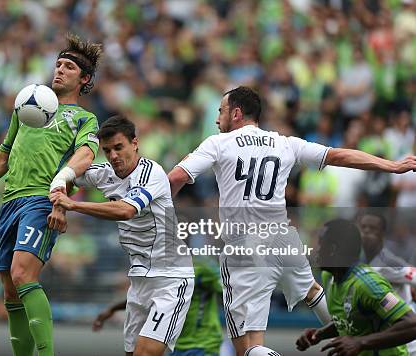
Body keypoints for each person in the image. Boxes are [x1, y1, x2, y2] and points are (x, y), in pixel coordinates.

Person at [167, 86, 416, 355]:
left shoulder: (218, 143)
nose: (217, 120)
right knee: (311, 290)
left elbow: (175, 178)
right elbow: (339, 155)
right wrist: (391, 165)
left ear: (236, 113)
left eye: (221, 112)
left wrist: (161, 221)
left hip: (244, 247)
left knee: (248, 349)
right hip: (283, 239)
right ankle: (354, 342)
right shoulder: (284, 142)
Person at [0, 33, 103, 356]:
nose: (59, 70)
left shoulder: (84, 119)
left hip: (42, 200)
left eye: (69, 67)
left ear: (84, 79)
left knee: (22, 273)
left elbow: (85, 156)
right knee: (10, 290)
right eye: (58, 64)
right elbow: (3, 157)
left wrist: (60, 188)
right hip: (10, 202)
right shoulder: (27, 108)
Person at [50, 115, 195, 356]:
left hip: (171, 278)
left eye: (119, 147)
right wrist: (58, 206)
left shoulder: (152, 174)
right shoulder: (104, 174)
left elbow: (126, 211)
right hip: (139, 280)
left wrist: (73, 206)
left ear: (134, 143)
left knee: (144, 354)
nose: (114, 156)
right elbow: (65, 176)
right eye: (107, 150)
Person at [296, 219, 416, 355]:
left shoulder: (368, 285)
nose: (315, 249)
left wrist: (360, 342)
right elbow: (352, 321)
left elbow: (412, 324)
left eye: (320, 244)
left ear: (332, 249)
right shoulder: (329, 277)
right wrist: (320, 334)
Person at [93, 257, 225, 356]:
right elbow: (145, 297)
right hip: (175, 344)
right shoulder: (164, 267)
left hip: (203, 342)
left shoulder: (203, 268)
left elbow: (229, 292)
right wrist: (112, 309)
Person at [357, 211, 416, 355]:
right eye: (363, 227)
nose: (366, 232)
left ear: (382, 234)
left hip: (406, 341)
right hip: (385, 335)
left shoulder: (388, 262)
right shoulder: (361, 261)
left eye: (372, 228)